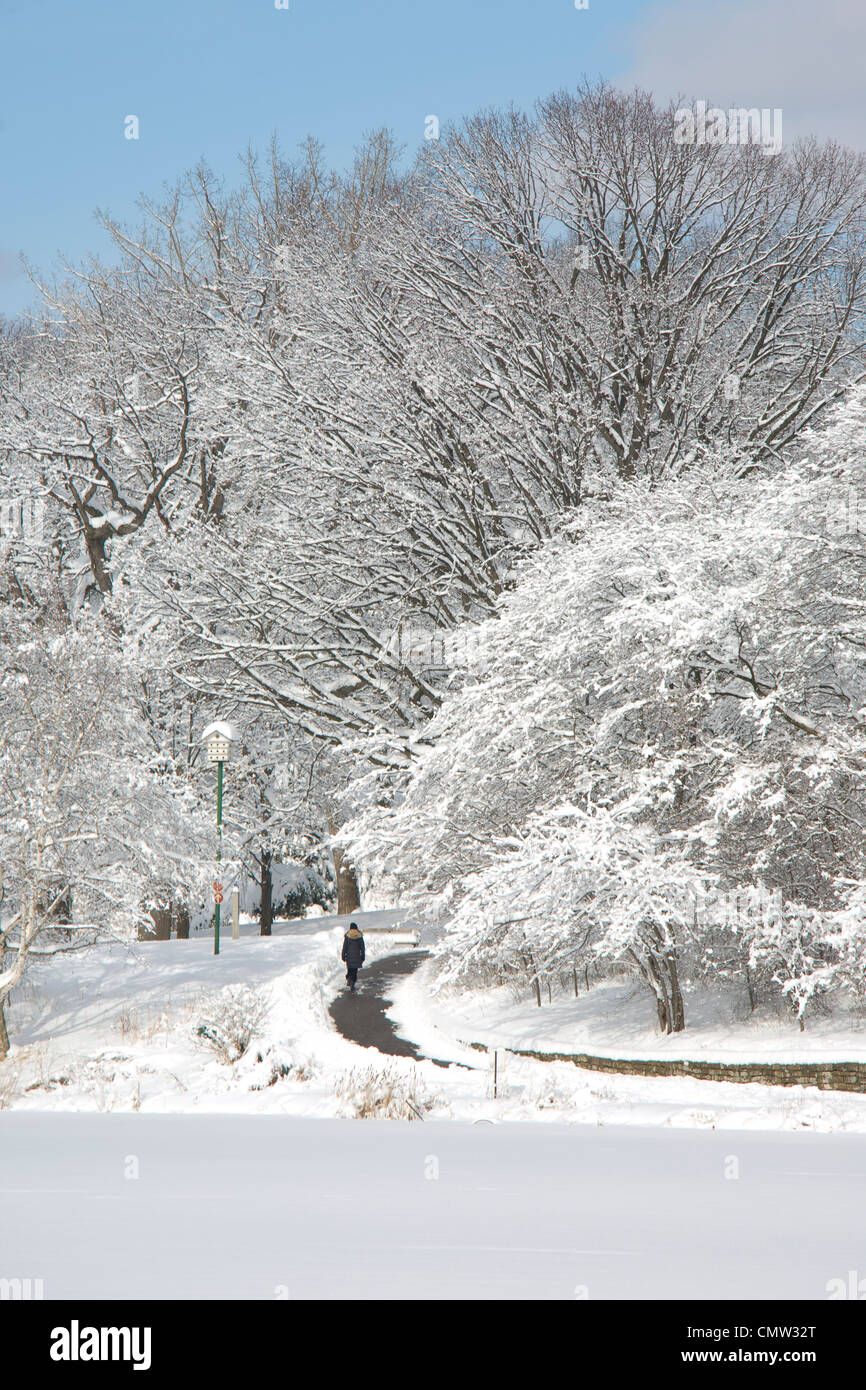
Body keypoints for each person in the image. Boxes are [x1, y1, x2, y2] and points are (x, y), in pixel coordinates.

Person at [341, 922, 366, 991]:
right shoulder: (359, 936)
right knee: (354, 970)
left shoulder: (347, 936)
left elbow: (345, 947)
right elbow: (362, 948)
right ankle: (352, 982)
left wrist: (343, 955)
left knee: (350, 969)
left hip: (349, 956)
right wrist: (363, 956)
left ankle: (349, 978)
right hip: (357, 956)